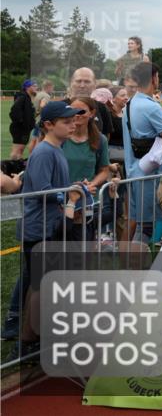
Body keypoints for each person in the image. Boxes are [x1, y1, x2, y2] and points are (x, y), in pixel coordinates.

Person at [3, 100, 84, 357]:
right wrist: (69, 195)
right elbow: (42, 191)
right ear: (49, 125)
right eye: (66, 122)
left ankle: (29, 337)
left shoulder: (55, 149)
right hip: (38, 227)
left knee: (38, 283)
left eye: (73, 121)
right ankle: (27, 340)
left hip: (46, 225)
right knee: (40, 285)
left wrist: (74, 188)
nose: (73, 125)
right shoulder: (45, 152)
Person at [122, 62, 162, 242]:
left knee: (136, 222)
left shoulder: (130, 103)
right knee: (146, 228)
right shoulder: (151, 107)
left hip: (133, 171)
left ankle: (124, 258)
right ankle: (137, 260)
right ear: (154, 78)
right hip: (149, 175)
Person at [63, 97, 111, 240]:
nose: (77, 115)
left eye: (82, 111)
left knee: (84, 241)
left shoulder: (100, 140)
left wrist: (91, 185)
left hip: (88, 202)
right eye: (73, 110)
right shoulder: (61, 138)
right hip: (63, 200)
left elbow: (104, 170)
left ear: (92, 113)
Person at [69, 68, 113, 139]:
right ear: (71, 83)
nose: (82, 85)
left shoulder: (102, 107)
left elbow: (106, 134)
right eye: (78, 81)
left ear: (95, 84)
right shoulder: (60, 106)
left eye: (87, 82)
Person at [8, 80, 37, 159]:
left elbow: (27, 113)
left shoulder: (27, 97)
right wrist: (21, 122)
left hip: (24, 128)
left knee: (20, 151)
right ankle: (13, 166)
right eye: (34, 86)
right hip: (20, 128)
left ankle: (16, 165)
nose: (36, 87)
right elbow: (14, 110)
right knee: (17, 151)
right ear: (27, 87)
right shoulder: (22, 97)